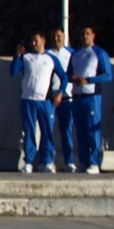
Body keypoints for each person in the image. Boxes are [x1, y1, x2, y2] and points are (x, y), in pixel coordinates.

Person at [11, 32, 63, 173]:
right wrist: (17, 56)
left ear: (43, 41)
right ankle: (29, 162)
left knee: (47, 132)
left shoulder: (51, 59)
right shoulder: (26, 57)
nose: (33, 43)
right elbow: (14, 71)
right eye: (32, 41)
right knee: (29, 131)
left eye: (36, 41)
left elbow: (63, 77)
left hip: (45, 101)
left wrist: (60, 93)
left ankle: (47, 161)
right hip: (27, 100)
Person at [65, 26, 112, 173]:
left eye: (87, 34)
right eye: (82, 33)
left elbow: (107, 75)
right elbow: (67, 74)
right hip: (77, 96)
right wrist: (72, 78)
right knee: (80, 131)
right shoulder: (76, 54)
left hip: (92, 96)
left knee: (93, 130)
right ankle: (83, 162)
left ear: (93, 36)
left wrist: (89, 80)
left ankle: (94, 162)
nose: (85, 36)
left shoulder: (99, 53)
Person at [47, 28, 76, 171]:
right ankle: (48, 161)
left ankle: (69, 161)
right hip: (49, 98)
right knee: (48, 130)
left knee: (66, 131)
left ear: (64, 37)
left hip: (67, 98)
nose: (56, 39)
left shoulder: (72, 53)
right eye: (53, 36)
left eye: (59, 36)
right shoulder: (47, 54)